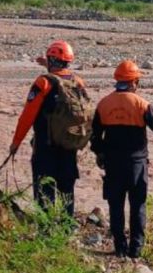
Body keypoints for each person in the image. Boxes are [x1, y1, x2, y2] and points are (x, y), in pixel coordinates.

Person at [90, 60, 153, 258]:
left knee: (115, 206)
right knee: (137, 205)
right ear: (134, 82)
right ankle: (136, 250)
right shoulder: (142, 104)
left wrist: (100, 154)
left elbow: (94, 137)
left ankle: (120, 248)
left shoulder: (104, 104)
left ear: (117, 80)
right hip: (137, 164)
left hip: (113, 164)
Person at [10, 40, 92, 219]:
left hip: (45, 149)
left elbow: (27, 117)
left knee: (44, 193)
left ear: (51, 59)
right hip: (69, 147)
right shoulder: (78, 82)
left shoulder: (43, 83)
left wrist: (16, 143)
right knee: (66, 192)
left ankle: (45, 233)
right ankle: (66, 229)